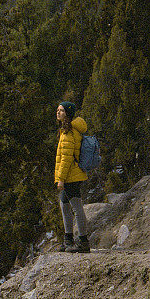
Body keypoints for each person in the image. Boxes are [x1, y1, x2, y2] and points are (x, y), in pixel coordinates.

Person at [55, 101, 90, 253]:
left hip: (71, 176)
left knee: (76, 208)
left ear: (67, 113)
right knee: (64, 205)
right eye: (58, 110)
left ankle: (83, 242)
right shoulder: (66, 130)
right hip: (71, 174)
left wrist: (61, 178)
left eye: (61, 111)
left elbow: (67, 158)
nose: (58, 113)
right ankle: (68, 239)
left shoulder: (69, 132)